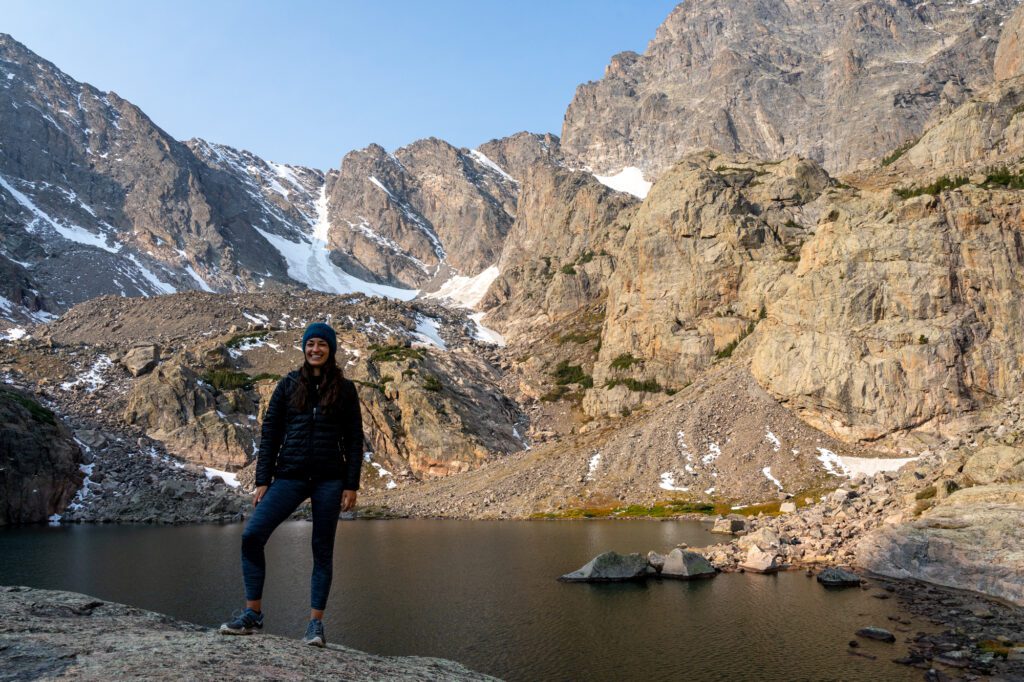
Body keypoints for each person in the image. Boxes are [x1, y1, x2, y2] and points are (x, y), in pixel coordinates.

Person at [219, 322, 363, 647]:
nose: (315, 350)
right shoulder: (288, 385)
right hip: (290, 477)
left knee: (321, 551)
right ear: (304, 348)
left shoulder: (345, 389)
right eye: (311, 344)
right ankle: (253, 614)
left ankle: (315, 624)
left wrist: (350, 484)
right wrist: (262, 480)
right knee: (253, 535)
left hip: (329, 480)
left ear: (331, 349)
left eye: (322, 345)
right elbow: (270, 433)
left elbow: (355, 440)